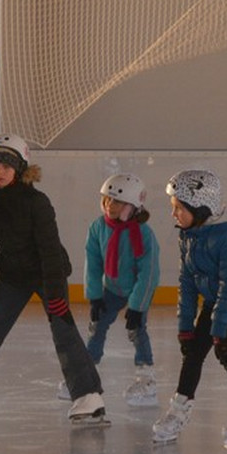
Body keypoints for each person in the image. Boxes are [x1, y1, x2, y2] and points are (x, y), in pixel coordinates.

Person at [0, 134, 109, 425]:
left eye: (6, 165)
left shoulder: (36, 201)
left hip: (47, 271)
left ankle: (89, 398)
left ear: (19, 168)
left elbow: (50, 250)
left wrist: (55, 294)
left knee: (63, 329)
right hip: (11, 275)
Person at [152, 169, 227, 450]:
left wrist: (218, 330)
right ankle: (180, 409)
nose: (174, 215)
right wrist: (185, 327)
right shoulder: (189, 235)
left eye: (179, 208)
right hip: (218, 297)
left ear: (200, 208)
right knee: (194, 350)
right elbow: (187, 282)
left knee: (226, 349)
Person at [70, 173, 160, 407]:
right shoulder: (98, 227)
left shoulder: (143, 234)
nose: (110, 205)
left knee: (137, 330)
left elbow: (149, 273)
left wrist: (137, 307)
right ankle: (87, 377)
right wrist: (94, 296)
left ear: (132, 207)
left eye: (117, 202)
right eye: (107, 199)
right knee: (97, 326)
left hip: (136, 289)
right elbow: (93, 263)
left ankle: (146, 377)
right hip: (110, 288)